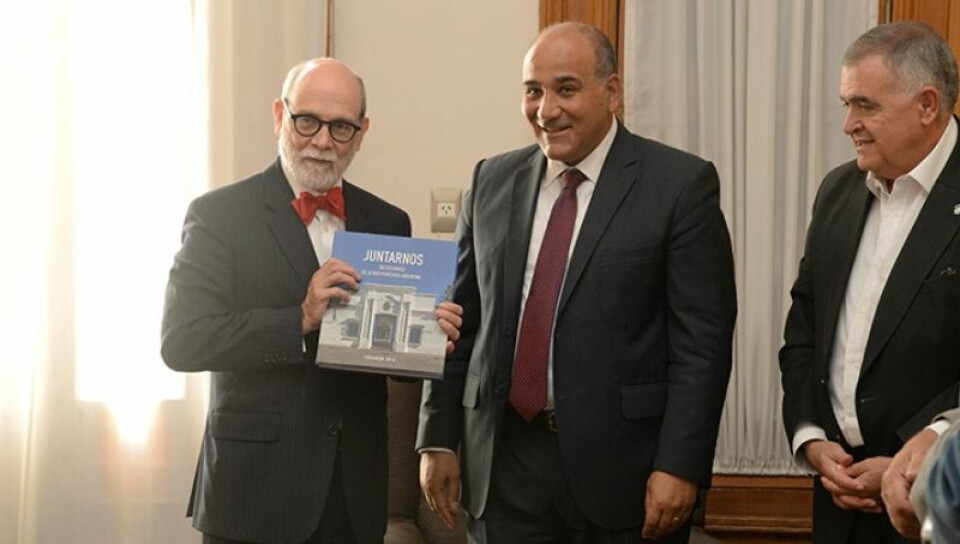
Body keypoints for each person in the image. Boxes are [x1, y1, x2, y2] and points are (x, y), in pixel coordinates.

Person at [416, 22, 736, 543]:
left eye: (566, 88)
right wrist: (437, 436)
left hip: (623, 472)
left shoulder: (679, 186)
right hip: (504, 466)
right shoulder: (488, 180)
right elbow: (457, 321)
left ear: (612, 92)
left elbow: (703, 345)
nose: (546, 110)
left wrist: (680, 464)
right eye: (533, 91)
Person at [161, 58, 462, 544]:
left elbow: (394, 363)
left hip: (354, 494)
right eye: (307, 121)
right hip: (253, 493)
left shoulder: (388, 221)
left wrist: (430, 339)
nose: (323, 141)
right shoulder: (219, 215)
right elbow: (183, 341)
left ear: (361, 134)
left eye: (341, 127)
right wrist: (300, 318)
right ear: (280, 116)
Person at [779, 21, 960, 544]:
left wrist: (930, 444)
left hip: (935, 502)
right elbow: (804, 330)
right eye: (846, 104)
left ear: (927, 105)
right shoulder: (837, 192)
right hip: (837, 499)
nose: (848, 125)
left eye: (865, 105)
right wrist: (811, 437)